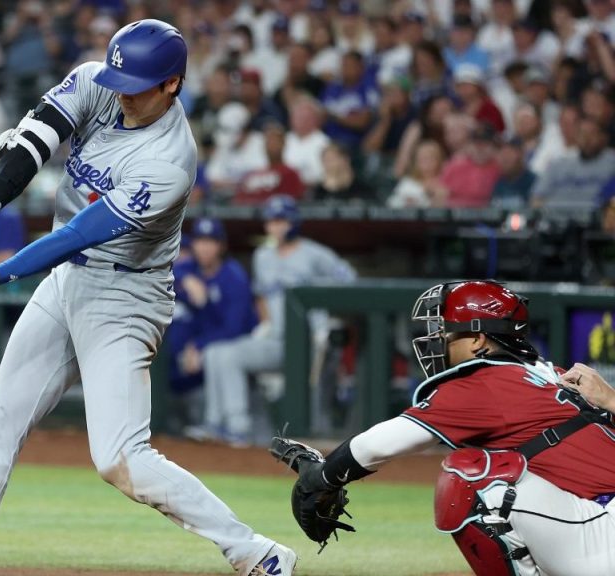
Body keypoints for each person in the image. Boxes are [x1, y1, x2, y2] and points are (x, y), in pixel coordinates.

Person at [0, 19, 296, 576]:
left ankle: (256, 553)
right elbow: (38, 134)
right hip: (66, 281)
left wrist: (2, 275)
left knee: (121, 460)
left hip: (125, 297)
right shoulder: (102, 80)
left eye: (138, 83)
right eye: (119, 76)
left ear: (172, 84)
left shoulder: (170, 159)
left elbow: (80, 232)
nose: (122, 91)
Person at [282, 281, 615, 576]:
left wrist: (322, 477)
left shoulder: (484, 382)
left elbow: (376, 447)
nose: (439, 339)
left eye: (447, 332)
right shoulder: (549, 374)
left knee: (472, 478)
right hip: (598, 520)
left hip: (604, 537)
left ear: (477, 339)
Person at [195, 195, 355, 447]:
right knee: (216, 352)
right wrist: (265, 323)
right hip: (276, 340)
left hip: (308, 342)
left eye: (281, 221)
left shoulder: (315, 254)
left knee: (228, 356)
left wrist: (329, 320)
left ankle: (239, 428)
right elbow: (261, 296)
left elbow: (351, 283)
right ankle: (223, 425)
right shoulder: (263, 256)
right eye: (271, 222)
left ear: (294, 222)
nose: (276, 227)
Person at [168, 218, 257, 435]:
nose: (205, 247)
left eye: (211, 241)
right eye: (200, 241)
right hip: (207, 345)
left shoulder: (233, 276)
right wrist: (186, 279)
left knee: (214, 354)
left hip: (242, 342)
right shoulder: (191, 268)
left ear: (221, 246)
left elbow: (234, 328)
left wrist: (198, 345)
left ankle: (230, 425)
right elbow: (170, 271)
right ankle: (212, 423)